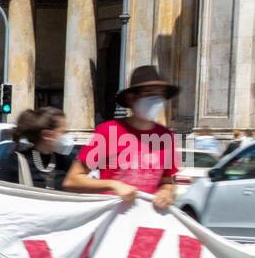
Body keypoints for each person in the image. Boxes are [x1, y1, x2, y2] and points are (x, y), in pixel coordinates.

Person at [63, 64, 179, 210]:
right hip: (112, 220)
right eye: (149, 93)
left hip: (148, 223)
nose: (156, 100)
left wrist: (167, 192)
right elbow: (72, 180)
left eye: (160, 95)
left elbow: (168, 181)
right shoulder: (109, 131)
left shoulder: (166, 137)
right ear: (131, 98)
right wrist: (113, 184)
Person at [0, 106, 74, 189]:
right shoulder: (16, 161)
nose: (67, 136)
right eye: (63, 132)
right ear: (47, 135)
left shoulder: (66, 162)